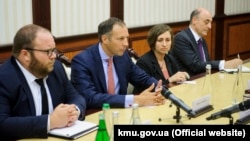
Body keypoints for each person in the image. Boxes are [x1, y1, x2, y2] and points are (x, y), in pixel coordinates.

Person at [0, 24, 86, 140]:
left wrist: (75, 110)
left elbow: (75, 96)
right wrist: (50, 121)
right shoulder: (4, 78)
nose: (54, 56)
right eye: (48, 51)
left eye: (54, 50)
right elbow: (3, 123)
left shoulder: (56, 68)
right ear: (25, 55)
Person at [71, 17, 165, 109]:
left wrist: (159, 89)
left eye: (127, 38)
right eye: (121, 39)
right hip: (96, 114)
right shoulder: (82, 61)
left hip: (121, 112)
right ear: (105, 39)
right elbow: (90, 98)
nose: (126, 43)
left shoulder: (122, 57)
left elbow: (142, 78)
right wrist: (136, 100)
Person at [171, 7, 243, 76]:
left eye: (211, 22)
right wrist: (223, 64)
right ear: (194, 20)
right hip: (188, 83)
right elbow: (195, 66)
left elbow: (206, 63)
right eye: (206, 22)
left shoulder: (201, 40)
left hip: (203, 79)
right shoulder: (180, 38)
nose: (210, 27)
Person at [134, 24, 189, 93]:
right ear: (153, 42)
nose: (164, 44)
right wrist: (169, 80)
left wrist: (181, 77)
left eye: (168, 40)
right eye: (160, 40)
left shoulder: (170, 58)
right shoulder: (143, 62)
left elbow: (176, 77)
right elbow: (149, 88)